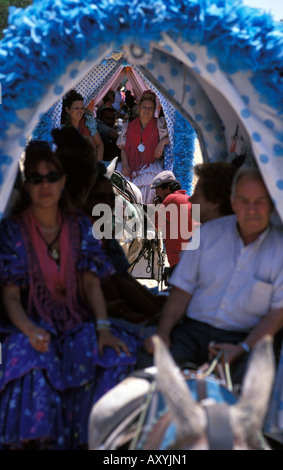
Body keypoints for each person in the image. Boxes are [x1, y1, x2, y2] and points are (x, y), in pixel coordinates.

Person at [0, 140, 140, 450]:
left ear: (63, 182)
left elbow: (92, 282)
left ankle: (94, 441)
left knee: (113, 354)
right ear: (27, 185)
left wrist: (102, 327)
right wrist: (30, 329)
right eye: (36, 178)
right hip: (32, 322)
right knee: (30, 360)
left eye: (52, 177)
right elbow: (10, 296)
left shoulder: (78, 224)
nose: (45, 184)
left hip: (76, 321)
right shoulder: (13, 231)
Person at [137, 166, 283, 385]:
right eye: (244, 201)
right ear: (233, 202)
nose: (251, 209)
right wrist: (163, 332)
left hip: (243, 338)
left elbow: (279, 312)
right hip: (193, 332)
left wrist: (242, 348)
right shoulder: (207, 235)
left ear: (271, 205)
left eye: (260, 201)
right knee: (146, 366)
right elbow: (181, 292)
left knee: (255, 387)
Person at [83, 162, 166, 325]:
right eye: (100, 197)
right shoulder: (84, 231)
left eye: (111, 197)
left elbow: (121, 277)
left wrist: (154, 303)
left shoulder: (101, 233)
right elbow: (114, 280)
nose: (107, 202)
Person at [116, 90, 169, 204]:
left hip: (150, 165)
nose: (147, 110)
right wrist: (125, 165)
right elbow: (123, 148)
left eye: (150, 108)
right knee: (120, 184)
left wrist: (163, 142)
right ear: (139, 108)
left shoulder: (160, 124)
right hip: (130, 164)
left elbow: (174, 138)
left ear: (155, 110)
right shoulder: (128, 126)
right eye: (144, 107)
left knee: (149, 184)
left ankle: (145, 217)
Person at [150, 170, 197, 275]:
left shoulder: (170, 199)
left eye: (158, 190)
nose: (156, 193)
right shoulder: (188, 198)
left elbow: (154, 224)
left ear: (168, 188)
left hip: (180, 261)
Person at [61, 89, 104, 161]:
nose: (80, 111)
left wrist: (97, 165)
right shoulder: (63, 129)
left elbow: (100, 145)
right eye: (76, 108)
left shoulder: (88, 122)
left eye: (82, 108)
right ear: (67, 109)